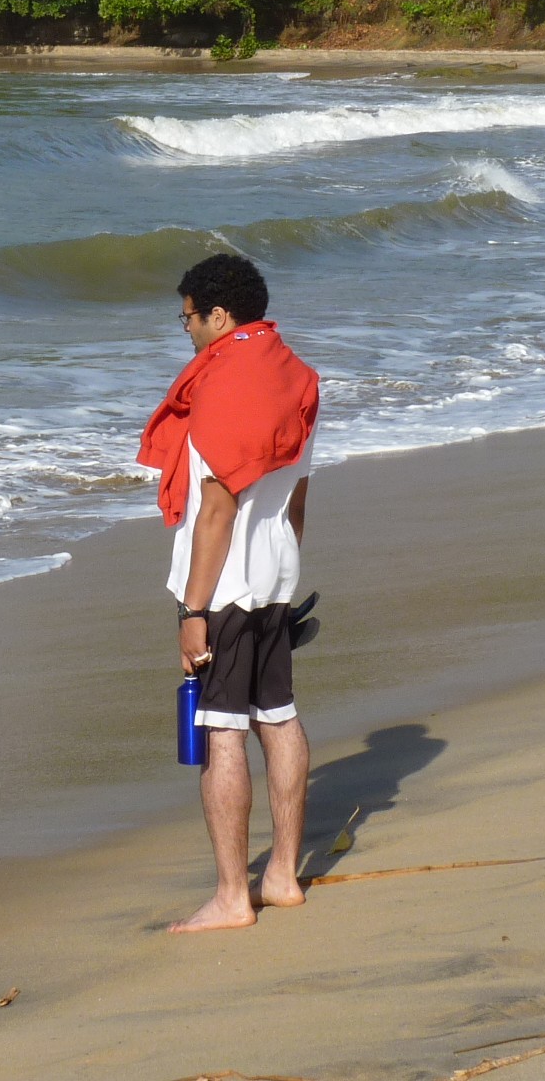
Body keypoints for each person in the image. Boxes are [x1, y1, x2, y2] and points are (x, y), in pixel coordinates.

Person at [137, 252, 321, 934]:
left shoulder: (226, 384)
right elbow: (297, 495)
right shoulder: (295, 378)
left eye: (187, 318)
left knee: (221, 733)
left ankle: (230, 897)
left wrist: (192, 611)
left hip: (226, 586)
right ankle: (281, 877)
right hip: (274, 572)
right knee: (279, 715)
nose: (184, 331)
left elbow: (215, 510)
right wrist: (287, 574)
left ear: (219, 315)